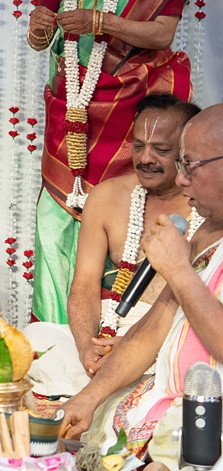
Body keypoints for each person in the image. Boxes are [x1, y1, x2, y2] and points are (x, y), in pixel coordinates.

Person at [28, 0, 197, 324]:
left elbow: (162, 34)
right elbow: (42, 38)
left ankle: (124, 329)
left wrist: (100, 22)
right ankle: (56, 336)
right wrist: (39, 30)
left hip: (130, 108)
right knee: (55, 219)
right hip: (73, 107)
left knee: (125, 216)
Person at [59, 104, 223, 467]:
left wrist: (178, 270)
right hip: (166, 402)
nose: (181, 180)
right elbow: (152, 331)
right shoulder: (209, 231)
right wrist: (88, 399)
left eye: (189, 164)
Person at [24, 94, 201, 398]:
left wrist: (137, 348)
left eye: (161, 149)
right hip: (110, 327)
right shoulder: (108, 196)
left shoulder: (207, 206)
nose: (145, 158)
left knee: (186, 367)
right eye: (138, 146)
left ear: (188, 152)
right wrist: (87, 349)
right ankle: (112, 381)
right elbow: (84, 285)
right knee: (34, 339)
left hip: (174, 334)